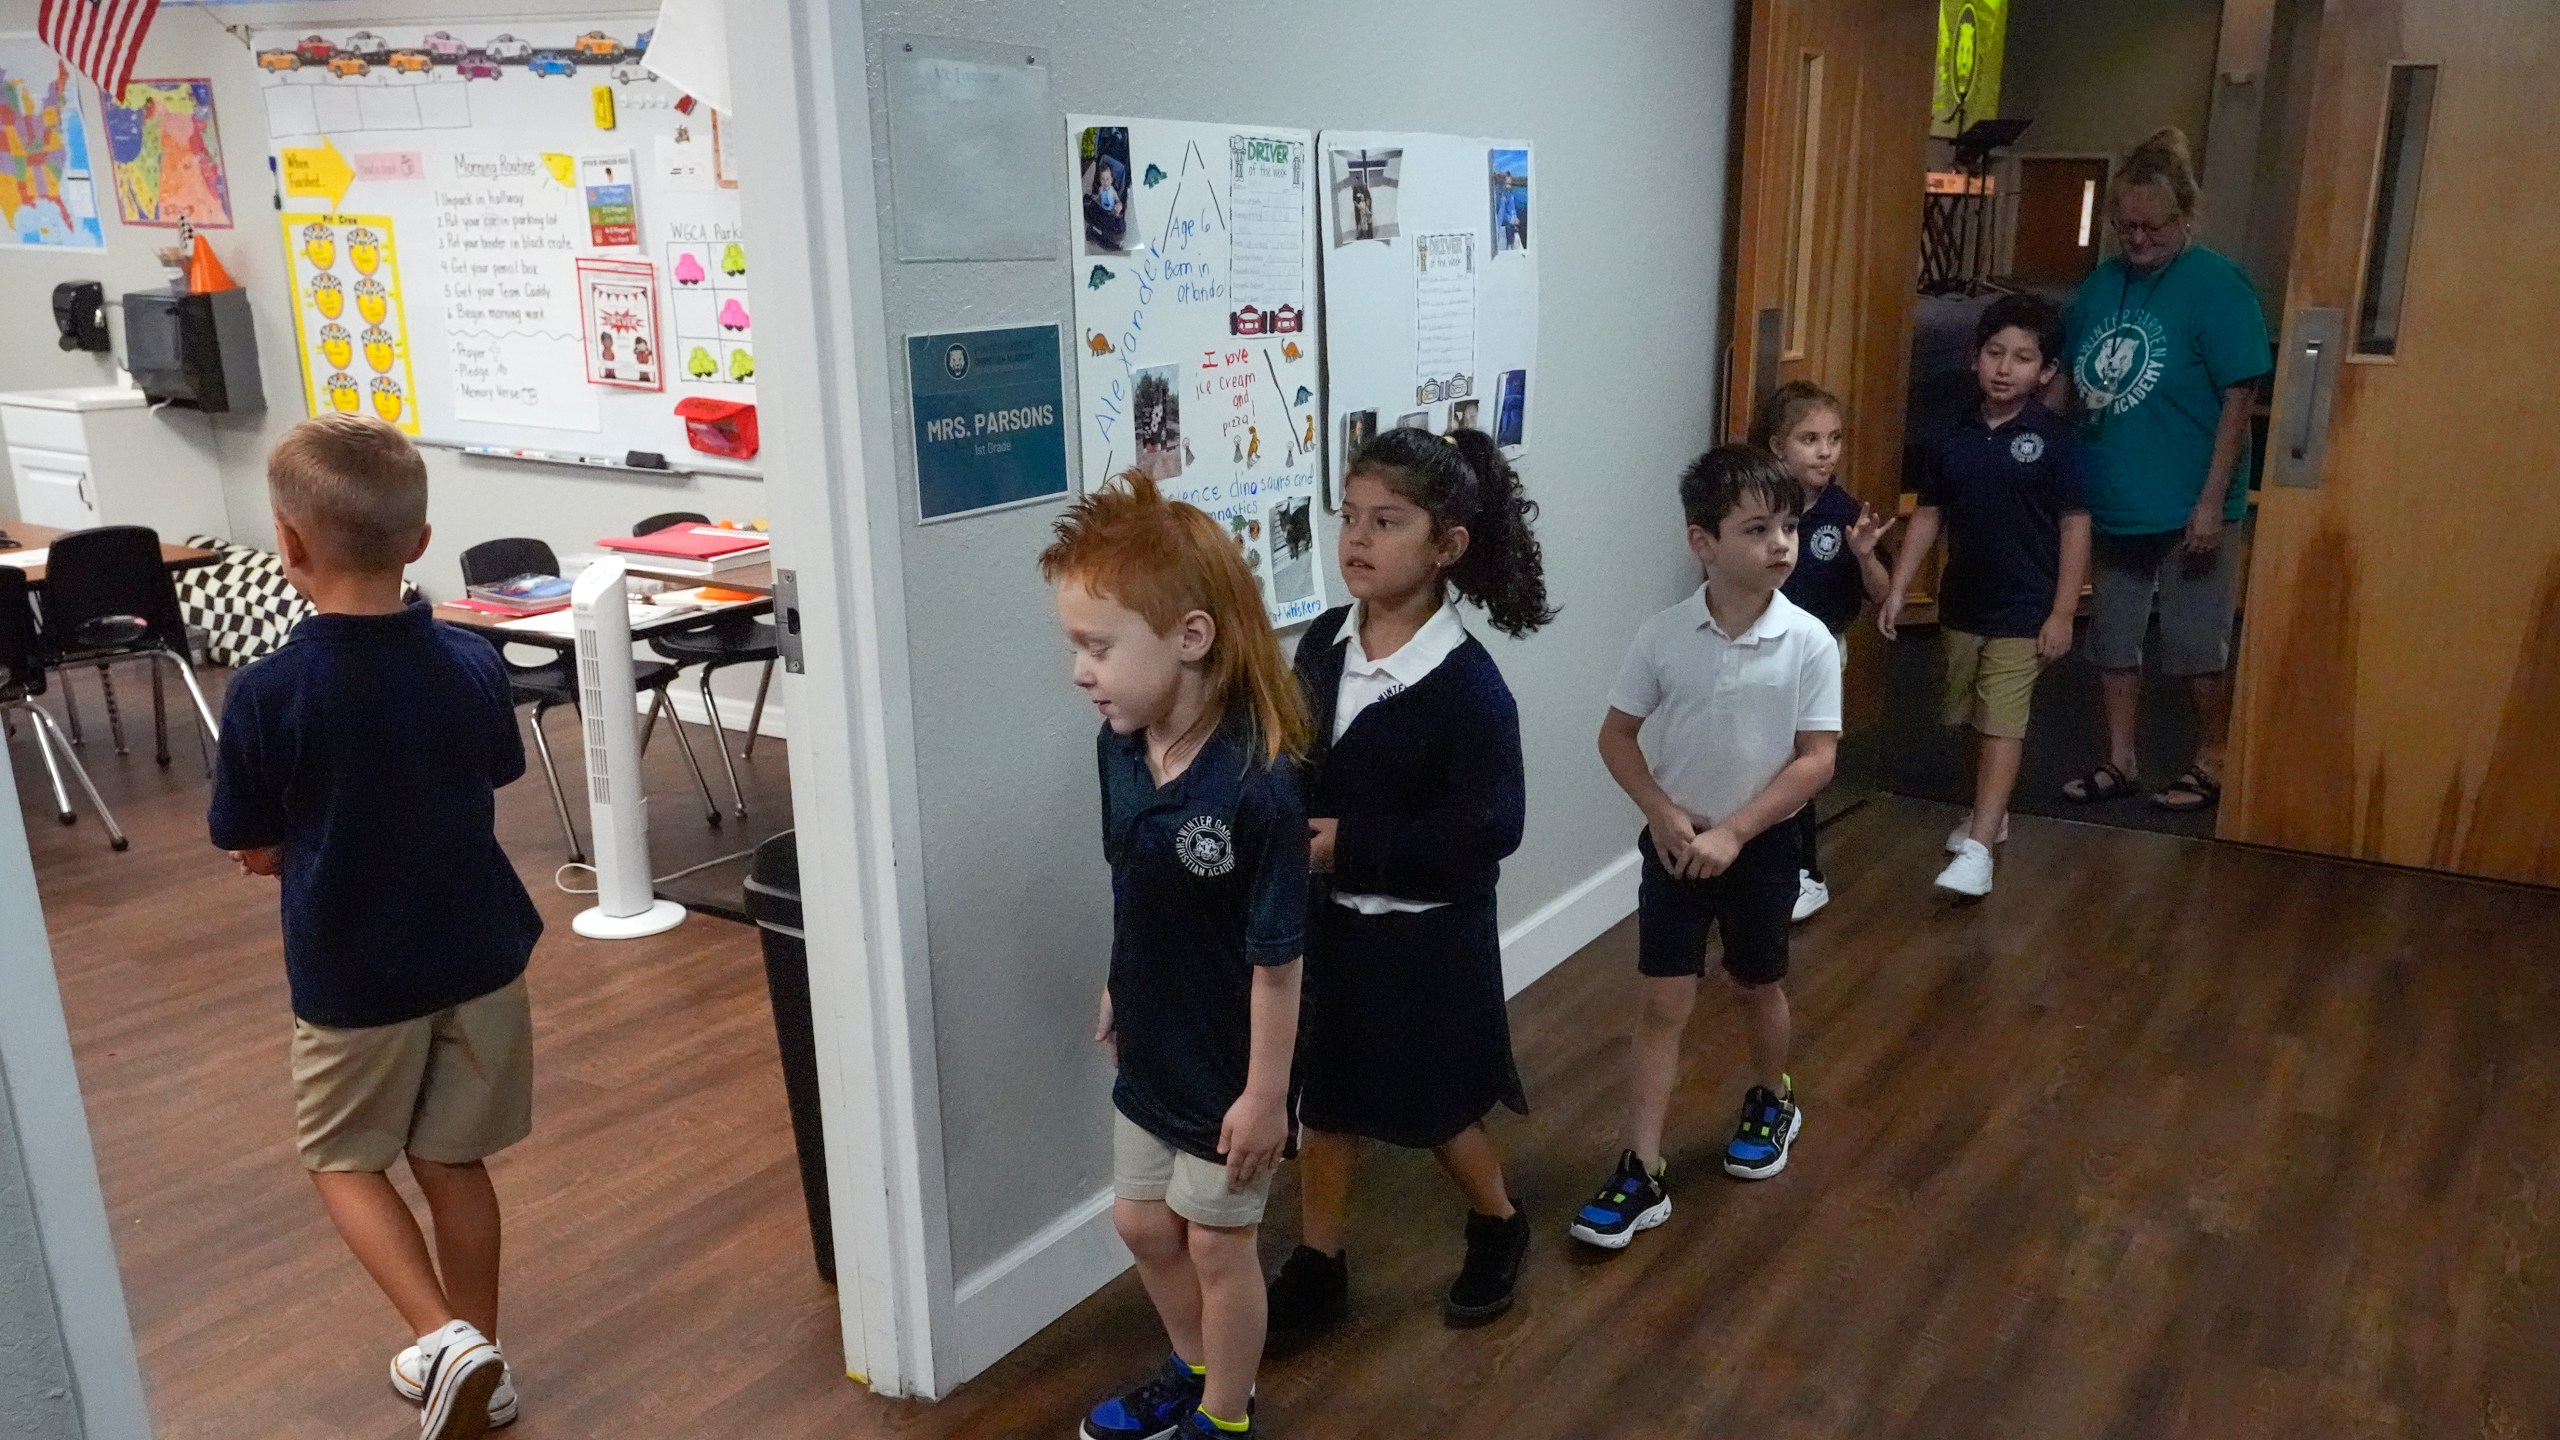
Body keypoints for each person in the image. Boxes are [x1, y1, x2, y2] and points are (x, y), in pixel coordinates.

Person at [208, 414, 539, 1440]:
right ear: (420, 542)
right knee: (452, 1161)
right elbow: (491, 773)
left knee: (344, 1160)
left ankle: (444, 1340)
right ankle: (479, 1359)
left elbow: (253, 843)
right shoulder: (473, 661)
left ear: (289, 545)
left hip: (355, 972)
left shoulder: (267, 693)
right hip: (481, 954)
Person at [1262, 428, 1555, 1343]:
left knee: (1435, 1107)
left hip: (1426, 936)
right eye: (1350, 517)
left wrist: (1350, 844)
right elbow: (1300, 758)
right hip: (1331, 929)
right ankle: (1319, 1259)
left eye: (1386, 522)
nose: (1357, 539)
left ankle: (1500, 1221)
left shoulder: (1469, 691)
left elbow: (1487, 832)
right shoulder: (1322, 643)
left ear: (1447, 547)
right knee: (1329, 1101)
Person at [1041, 471, 1311, 1440]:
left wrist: (1267, 1095)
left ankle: (1227, 1417)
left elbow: (1278, 961)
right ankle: (1196, 1370)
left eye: (1098, 647)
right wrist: (1120, 978)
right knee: (1142, 1223)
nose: (1081, 671)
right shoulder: (1118, 747)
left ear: (1190, 638)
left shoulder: (1258, 789)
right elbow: (1132, 876)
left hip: (1232, 1066)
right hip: (1154, 1039)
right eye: (1076, 646)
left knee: (1216, 1245)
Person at [1570, 447, 1841, 1250]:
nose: (1782, 544)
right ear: (1703, 543)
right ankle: (1641, 1167)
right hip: (1676, 846)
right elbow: (1616, 737)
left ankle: (1770, 1096)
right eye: (1758, 529)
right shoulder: (1663, 637)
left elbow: (1818, 758)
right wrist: (1660, 812)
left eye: (1789, 526)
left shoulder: (1809, 642)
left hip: (1759, 849)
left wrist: (1736, 831)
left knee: (1756, 983)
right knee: (1663, 1001)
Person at [2057, 127, 2272, 813]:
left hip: (2189, 502)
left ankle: (2214, 758)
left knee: (2192, 643)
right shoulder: (2102, 284)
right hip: (2112, 494)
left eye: (2153, 226)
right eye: (2126, 227)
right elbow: (2066, 378)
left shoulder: (2218, 285)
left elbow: (2240, 399)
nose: (2139, 240)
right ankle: (2120, 760)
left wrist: (2212, 501)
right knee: (2113, 638)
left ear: (2184, 218)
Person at [1881, 293, 2093, 898]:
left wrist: (2062, 610)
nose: (2005, 367)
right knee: (1967, 711)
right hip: (1963, 602)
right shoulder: (1953, 434)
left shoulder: (2055, 440)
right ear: (1975, 359)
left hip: (2025, 607)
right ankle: (1990, 815)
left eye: (2023, 358)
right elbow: (1929, 514)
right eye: (1995, 353)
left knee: (2004, 718)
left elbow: (2075, 525)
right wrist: (1901, 586)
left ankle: (1977, 848)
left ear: (2046, 372)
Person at [1751, 381, 1895, 921]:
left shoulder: (1846, 512)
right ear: (1776, 447)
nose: (1825, 450)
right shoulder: (1760, 505)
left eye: (1833, 438)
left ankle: (1806, 874)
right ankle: (1762, 865)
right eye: (1809, 438)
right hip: (1759, 647)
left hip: (1819, 652)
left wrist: (1863, 555)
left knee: (1800, 763)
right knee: (1762, 762)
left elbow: (1884, 596)